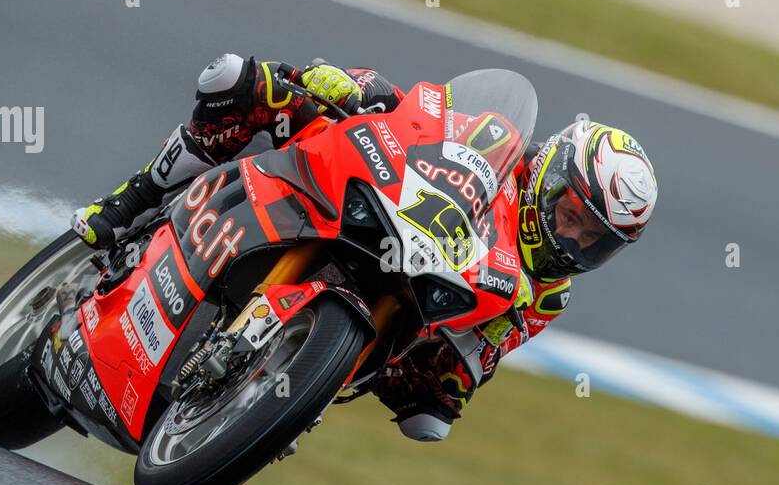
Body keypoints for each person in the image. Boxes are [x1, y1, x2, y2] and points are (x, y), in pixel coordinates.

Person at [72, 54, 658, 441]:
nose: (574, 238)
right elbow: (425, 116)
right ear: (551, 172)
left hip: (404, 297)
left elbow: (474, 359)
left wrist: (442, 384)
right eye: (573, 215)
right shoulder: (496, 138)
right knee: (238, 82)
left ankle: (258, 397)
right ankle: (131, 201)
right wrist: (360, 89)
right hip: (358, 190)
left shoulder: (544, 296)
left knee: (425, 417)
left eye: (594, 241)